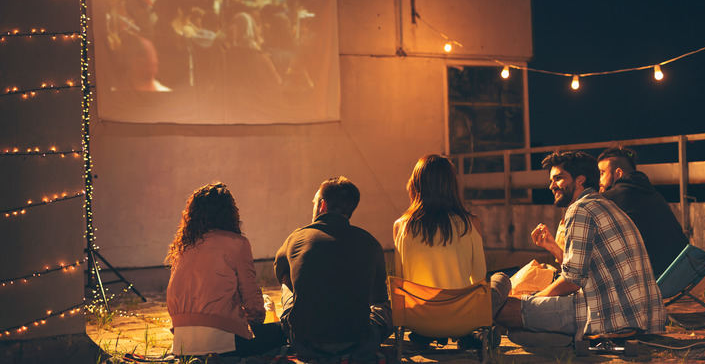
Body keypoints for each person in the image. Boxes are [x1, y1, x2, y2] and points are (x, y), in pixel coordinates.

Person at [495, 151, 666, 341]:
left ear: (580, 179)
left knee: (504, 308)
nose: (551, 185)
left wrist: (535, 298)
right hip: (635, 315)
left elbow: (572, 281)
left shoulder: (580, 209)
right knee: (520, 330)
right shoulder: (603, 204)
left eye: (558, 178)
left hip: (607, 315)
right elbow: (586, 270)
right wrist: (553, 247)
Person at [393, 154, 510, 350]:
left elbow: (402, 281)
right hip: (462, 320)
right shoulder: (470, 223)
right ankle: (472, 335)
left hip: (419, 321)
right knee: (501, 279)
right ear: (451, 185)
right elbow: (479, 281)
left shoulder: (401, 226)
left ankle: (426, 335)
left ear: (416, 184)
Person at [274, 177, 392, 360]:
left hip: (304, 344)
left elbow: (279, 271)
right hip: (360, 343)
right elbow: (378, 297)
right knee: (383, 307)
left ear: (322, 205)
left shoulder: (296, 238)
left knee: (285, 281)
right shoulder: (370, 242)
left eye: (314, 202)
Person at [165, 182, 286, 358]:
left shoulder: (183, 247)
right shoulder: (237, 243)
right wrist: (258, 319)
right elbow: (252, 301)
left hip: (182, 345)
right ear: (230, 213)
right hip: (225, 345)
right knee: (283, 331)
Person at [597, 146, 689, 277]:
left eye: (602, 173)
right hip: (682, 271)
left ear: (618, 173)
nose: (599, 180)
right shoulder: (654, 194)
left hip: (652, 276)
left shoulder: (611, 198)